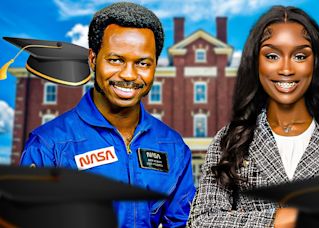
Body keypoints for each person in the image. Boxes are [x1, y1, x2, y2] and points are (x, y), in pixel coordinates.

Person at [188, 6, 319, 228]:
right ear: (256, 62)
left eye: (300, 55)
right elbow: (201, 221)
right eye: (272, 55)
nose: (286, 69)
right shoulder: (230, 139)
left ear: (316, 62)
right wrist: (282, 220)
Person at [19, 2, 195, 227]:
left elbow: (182, 222)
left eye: (142, 63)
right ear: (93, 59)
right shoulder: (48, 145)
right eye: (116, 60)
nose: (129, 75)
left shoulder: (172, 146)